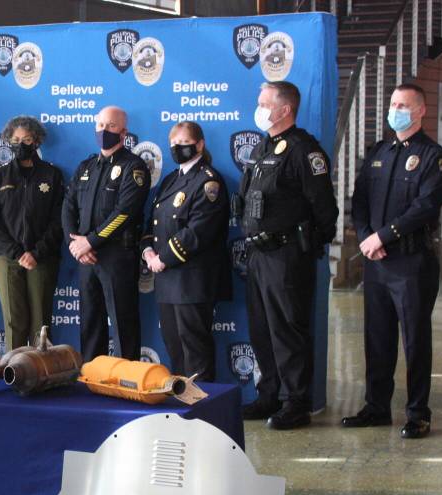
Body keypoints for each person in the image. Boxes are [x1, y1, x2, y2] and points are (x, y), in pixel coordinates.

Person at [342, 84, 442, 439]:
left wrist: (383, 236)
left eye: (403, 105)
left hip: (411, 262)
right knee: (377, 337)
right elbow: (359, 200)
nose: (396, 110)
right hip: (377, 262)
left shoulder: (433, 156)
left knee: (415, 339)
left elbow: (425, 207)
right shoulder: (379, 152)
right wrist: (365, 235)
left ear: (421, 111)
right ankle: (376, 407)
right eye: (392, 103)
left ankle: (418, 413)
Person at [237, 81, 338, 430]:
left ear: (284, 110)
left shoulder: (303, 150)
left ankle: (295, 402)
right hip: (258, 255)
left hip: (287, 255)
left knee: (288, 332)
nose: (259, 107)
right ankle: (268, 394)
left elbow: (325, 210)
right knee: (262, 330)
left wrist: (304, 248)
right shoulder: (263, 147)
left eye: (264, 102)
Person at [141, 121, 230, 381]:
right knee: (174, 347)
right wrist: (147, 251)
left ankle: (200, 406)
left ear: (199, 144)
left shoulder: (208, 181)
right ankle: (181, 402)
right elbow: (153, 224)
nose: (178, 148)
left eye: (183, 143)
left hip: (191, 279)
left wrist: (162, 259)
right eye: (174, 144)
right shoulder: (171, 179)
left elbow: (198, 231)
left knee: (195, 350)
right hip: (166, 279)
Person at [62, 105, 149, 361]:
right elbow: (68, 207)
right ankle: (91, 377)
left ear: (123, 132)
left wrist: (90, 242)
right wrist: (75, 244)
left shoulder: (134, 166)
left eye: (111, 126)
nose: (104, 130)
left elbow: (124, 213)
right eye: (100, 125)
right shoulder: (86, 166)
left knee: (123, 323)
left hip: (116, 257)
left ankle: (127, 381)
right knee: (90, 322)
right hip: (86, 258)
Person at [0, 115, 65, 351]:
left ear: (37, 141)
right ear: (8, 141)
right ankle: (15, 373)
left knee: (41, 323)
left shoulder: (52, 175)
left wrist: (36, 252)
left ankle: (40, 373)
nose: (21, 144)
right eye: (16, 139)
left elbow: (59, 220)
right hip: (7, 258)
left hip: (42, 257)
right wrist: (17, 252)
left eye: (27, 139)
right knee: (14, 321)